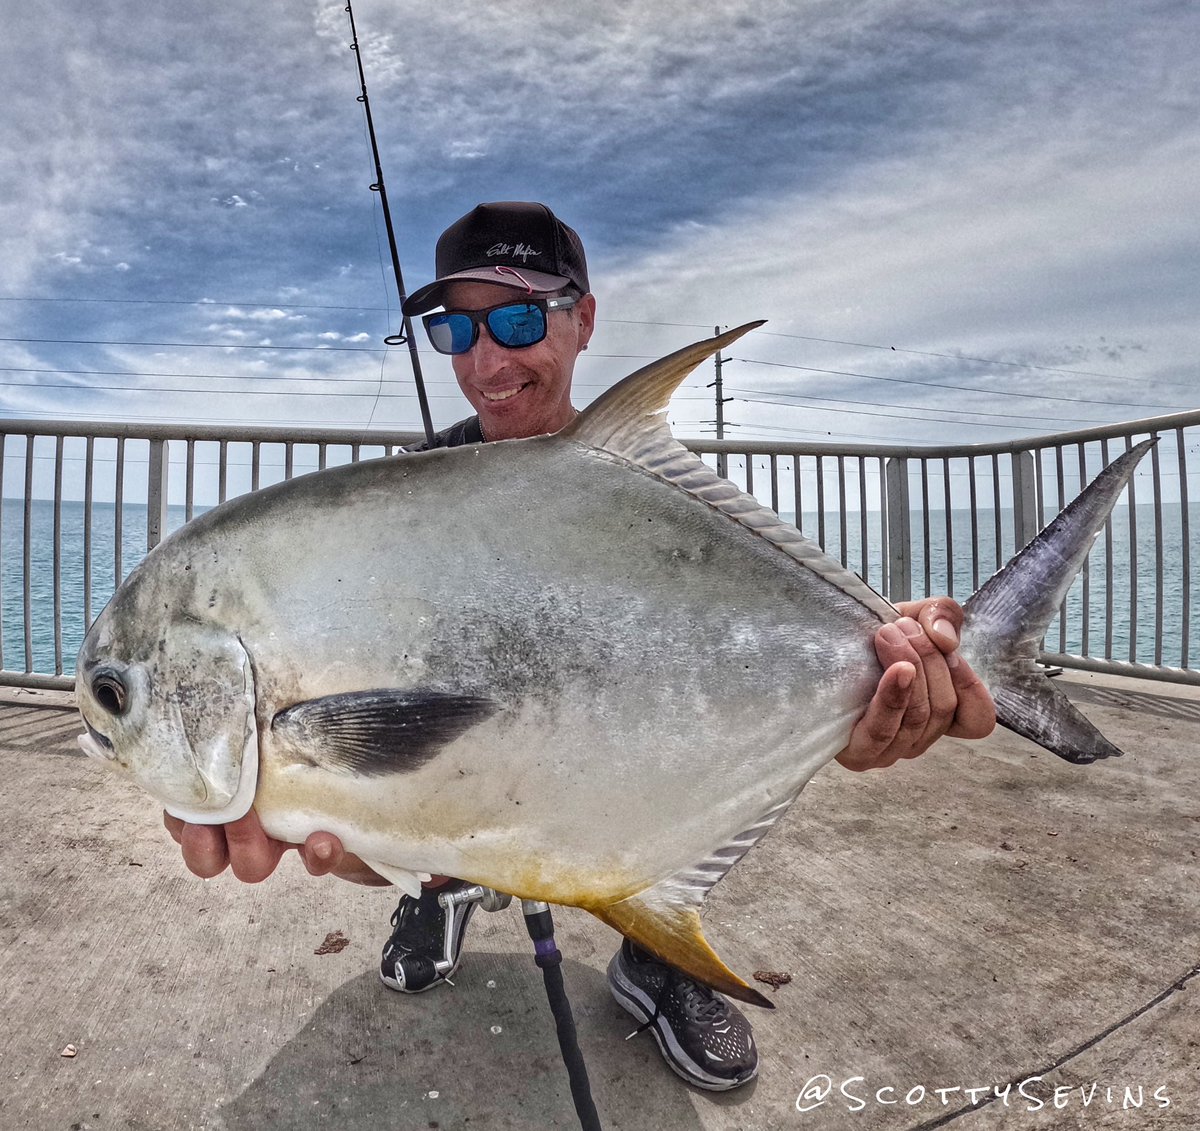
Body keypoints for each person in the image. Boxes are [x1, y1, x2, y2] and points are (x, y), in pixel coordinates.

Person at [165, 201, 996, 1092]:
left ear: (583, 318)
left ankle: (656, 938)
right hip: (470, 796)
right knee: (420, 813)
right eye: (456, 328)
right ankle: (435, 888)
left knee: (641, 767)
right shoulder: (406, 511)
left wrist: (880, 669)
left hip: (622, 773)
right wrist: (343, 827)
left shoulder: (662, 505)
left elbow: (746, 650)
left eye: (519, 319)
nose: (487, 361)